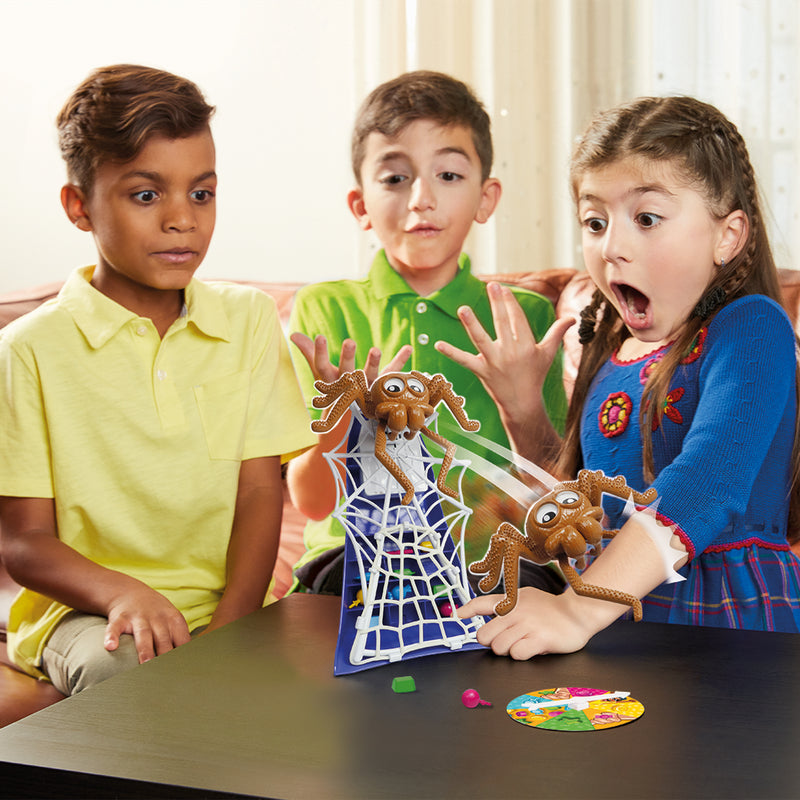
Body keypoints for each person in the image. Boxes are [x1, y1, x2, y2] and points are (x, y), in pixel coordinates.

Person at [0, 64, 316, 694]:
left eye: (201, 194)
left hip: (229, 605)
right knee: (130, 676)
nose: (182, 220)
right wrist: (125, 593)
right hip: (89, 614)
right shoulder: (27, 351)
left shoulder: (249, 320)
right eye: (146, 195)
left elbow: (260, 491)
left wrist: (231, 630)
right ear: (79, 206)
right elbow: (24, 542)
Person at [447, 95, 800, 657]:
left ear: (728, 236)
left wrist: (577, 608)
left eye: (646, 219)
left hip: (725, 630)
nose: (611, 247)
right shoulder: (610, 349)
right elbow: (578, 511)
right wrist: (523, 409)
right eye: (595, 222)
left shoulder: (752, 328)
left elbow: (708, 483)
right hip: (613, 624)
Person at [287, 70, 571, 593]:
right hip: (356, 559)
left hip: (496, 564)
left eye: (449, 175)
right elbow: (312, 503)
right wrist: (342, 426)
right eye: (395, 178)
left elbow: (556, 497)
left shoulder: (525, 317)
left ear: (486, 198)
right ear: (361, 206)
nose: (421, 198)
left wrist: (523, 406)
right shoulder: (324, 310)